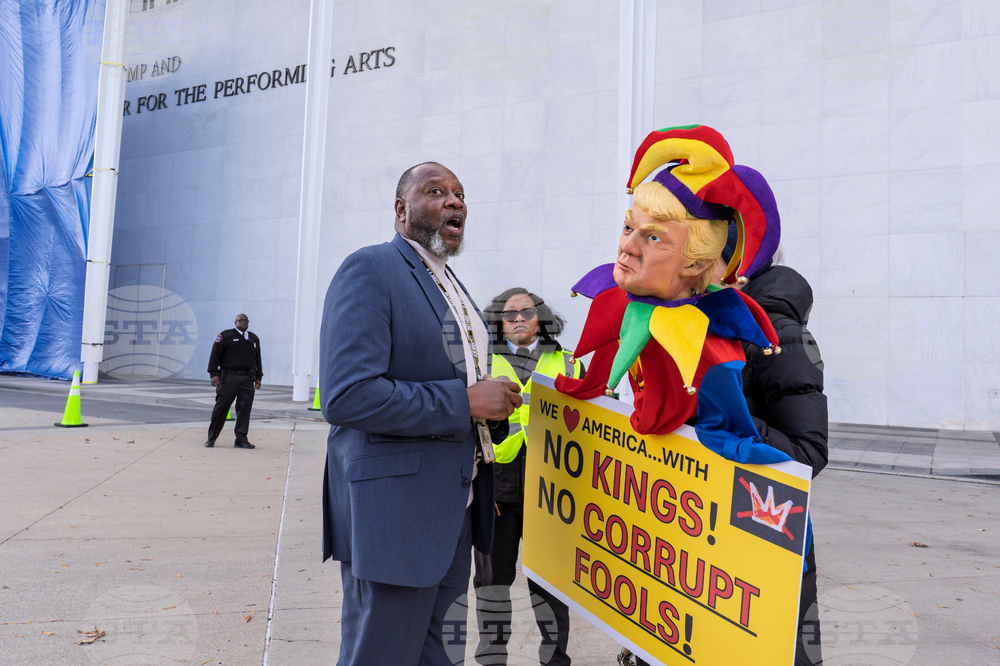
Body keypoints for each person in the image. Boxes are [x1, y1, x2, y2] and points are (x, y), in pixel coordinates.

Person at [319, 162, 522, 666]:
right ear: (400, 209)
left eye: (459, 193)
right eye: (436, 191)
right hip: (397, 514)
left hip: (456, 508)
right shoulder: (371, 269)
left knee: (439, 657)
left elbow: (458, 380)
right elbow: (348, 395)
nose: (455, 201)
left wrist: (489, 415)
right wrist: (465, 402)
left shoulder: (451, 284)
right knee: (383, 654)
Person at [727, 248, 828, 666]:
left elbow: (807, 453)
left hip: (765, 528)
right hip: (696, 525)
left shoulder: (779, 333)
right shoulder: (684, 324)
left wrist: (731, 420)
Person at [474, 288, 583, 666]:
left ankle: (555, 661)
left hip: (551, 494)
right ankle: (491, 660)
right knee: (491, 584)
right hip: (496, 491)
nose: (518, 319)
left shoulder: (571, 364)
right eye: (509, 314)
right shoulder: (480, 362)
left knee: (550, 587)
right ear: (497, 322)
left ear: (542, 316)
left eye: (527, 311)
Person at [205, 313, 262, 449]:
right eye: (241, 320)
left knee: (244, 409)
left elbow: (258, 359)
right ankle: (212, 438)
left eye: (246, 321)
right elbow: (215, 354)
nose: (244, 323)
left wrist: (258, 377)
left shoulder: (253, 338)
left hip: (247, 379)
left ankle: (241, 439)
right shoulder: (226, 336)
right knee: (221, 408)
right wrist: (213, 373)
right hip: (228, 378)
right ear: (235, 322)